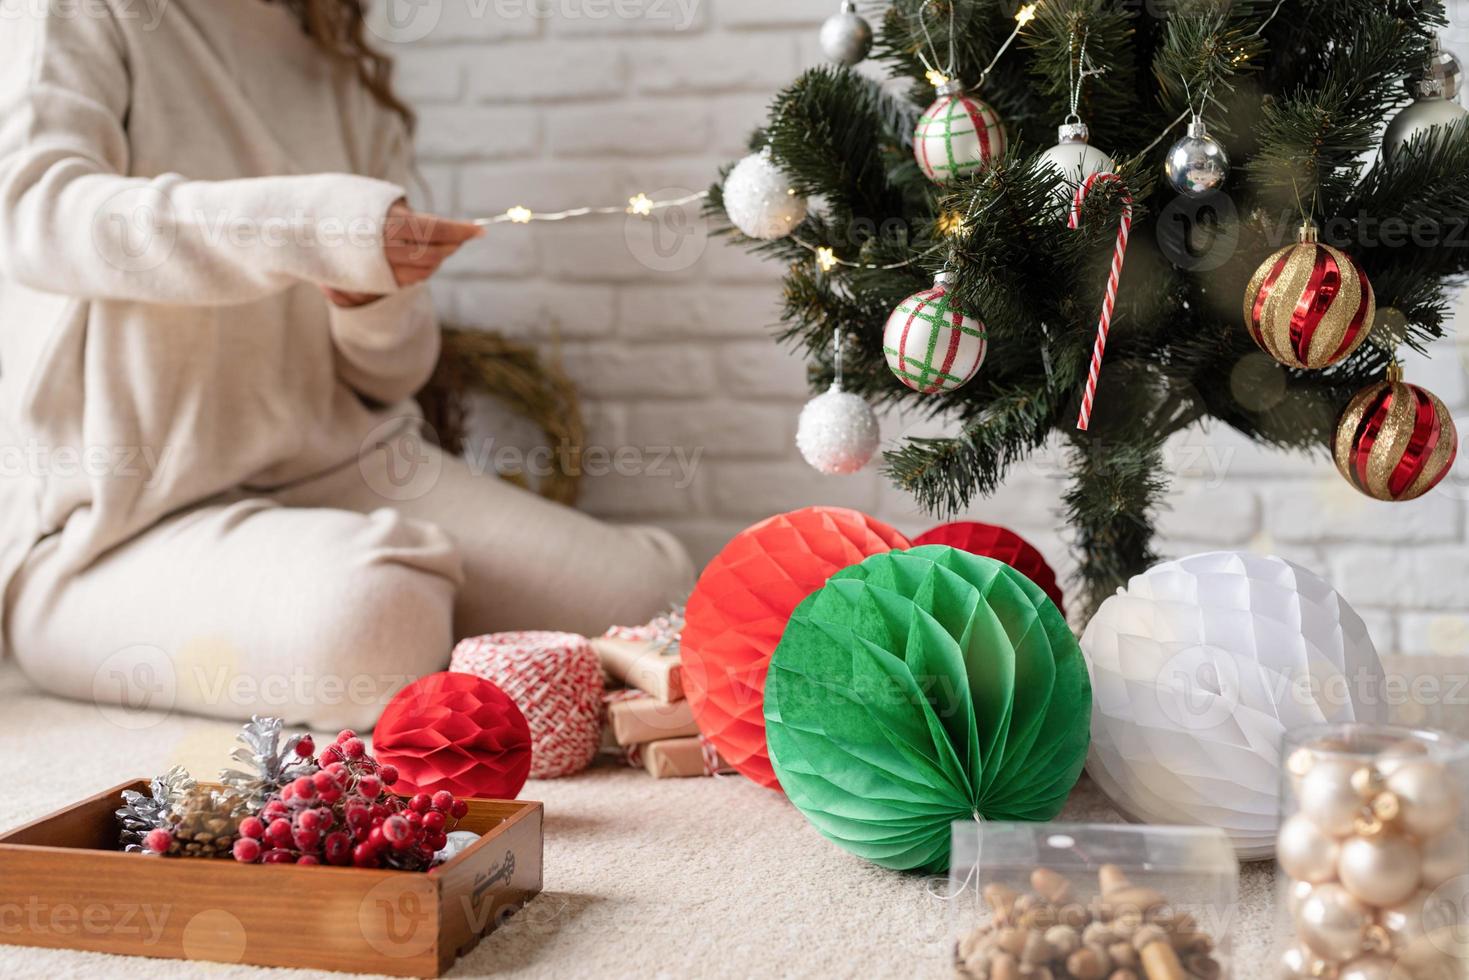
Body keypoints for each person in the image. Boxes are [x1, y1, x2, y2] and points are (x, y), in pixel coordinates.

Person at [0, 0, 693, 729]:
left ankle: (378, 603)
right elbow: (33, 213)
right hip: (114, 528)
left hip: (339, 469)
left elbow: (390, 376)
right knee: (380, 617)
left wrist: (370, 298)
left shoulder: (341, 69)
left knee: (653, 596)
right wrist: (308, 225)